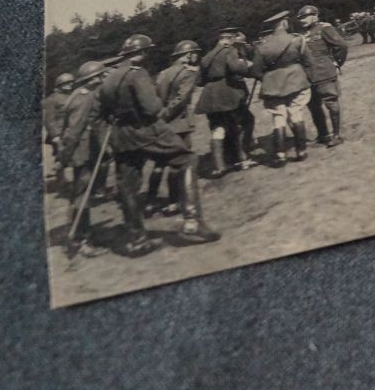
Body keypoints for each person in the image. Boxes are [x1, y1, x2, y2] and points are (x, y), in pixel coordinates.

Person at [98, 34, 219, 255]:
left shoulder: (109, 77)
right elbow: (152, 107)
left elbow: (103, 111)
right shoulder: (138, 74)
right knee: (188, 160)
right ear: (141, 53)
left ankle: (137, 239)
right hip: (146, 130)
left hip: (121, 135)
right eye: (146, 51)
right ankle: (192, 221)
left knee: (127, 186)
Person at [55, 61, 108, 257]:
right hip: (81, 152)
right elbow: (73, 132)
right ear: (93, 79)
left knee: (80, 194)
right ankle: (82, 240)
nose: (103, 79)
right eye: (101, 76)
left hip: (82, 150)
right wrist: (64, 158)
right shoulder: (83, 98)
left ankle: (81, 234)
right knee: (82, 195)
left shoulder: (79, 94)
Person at [145, 39, 200, 213]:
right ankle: (174, 202)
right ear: (188, 55)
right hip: (180, 123)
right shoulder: (188, 73)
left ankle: (150, 202)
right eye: (194, 53)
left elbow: (157, 96)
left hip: (163, 124)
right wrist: (167, 113)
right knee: (179, 163)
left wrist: (161, 116)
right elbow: (181, 100)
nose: (195, 57)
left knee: (160, 163)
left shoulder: (163, 73)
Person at [197, 26, 257, 176]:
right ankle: (243, 159)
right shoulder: (229, 50)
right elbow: (236, 68)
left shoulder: (208, 55)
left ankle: (219, 166)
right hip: (227, 94)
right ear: (230, 38)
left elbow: (199, 80)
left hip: (210, 96)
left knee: (218, 128)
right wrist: (247, 64)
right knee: (245, 122)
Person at [254, 11, 311, 165]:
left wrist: (270, 78)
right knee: (296, 114)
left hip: (273, 86)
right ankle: (301, 150)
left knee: (279, 118)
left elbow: (256, 71)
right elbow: (308, 61)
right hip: (296, 81)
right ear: (284, 24)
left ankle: (280, 154)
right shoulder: (296, 39)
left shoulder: (262, 46)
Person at [296, 5, 350, 147]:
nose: (302, 20)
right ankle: (323, 134)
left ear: (315, 16)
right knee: (314, 106)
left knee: (331, 103)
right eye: (300, 18)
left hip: (324, 72)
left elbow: (342, 45)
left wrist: (338, 62)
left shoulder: (325, 28)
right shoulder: (301, 34)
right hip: (308, 76)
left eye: (305, 17)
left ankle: (336, 135)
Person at [43, 71, 75, 174]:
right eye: (67, 83)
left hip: (71, 131)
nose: (70, 84)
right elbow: (49, 119)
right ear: (60, 85)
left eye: (71, 82)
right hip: (60, 133)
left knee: (73, 158)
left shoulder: (72, 96)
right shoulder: (52, 99)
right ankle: (62, 185)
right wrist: (55, 135)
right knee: (60, 159)